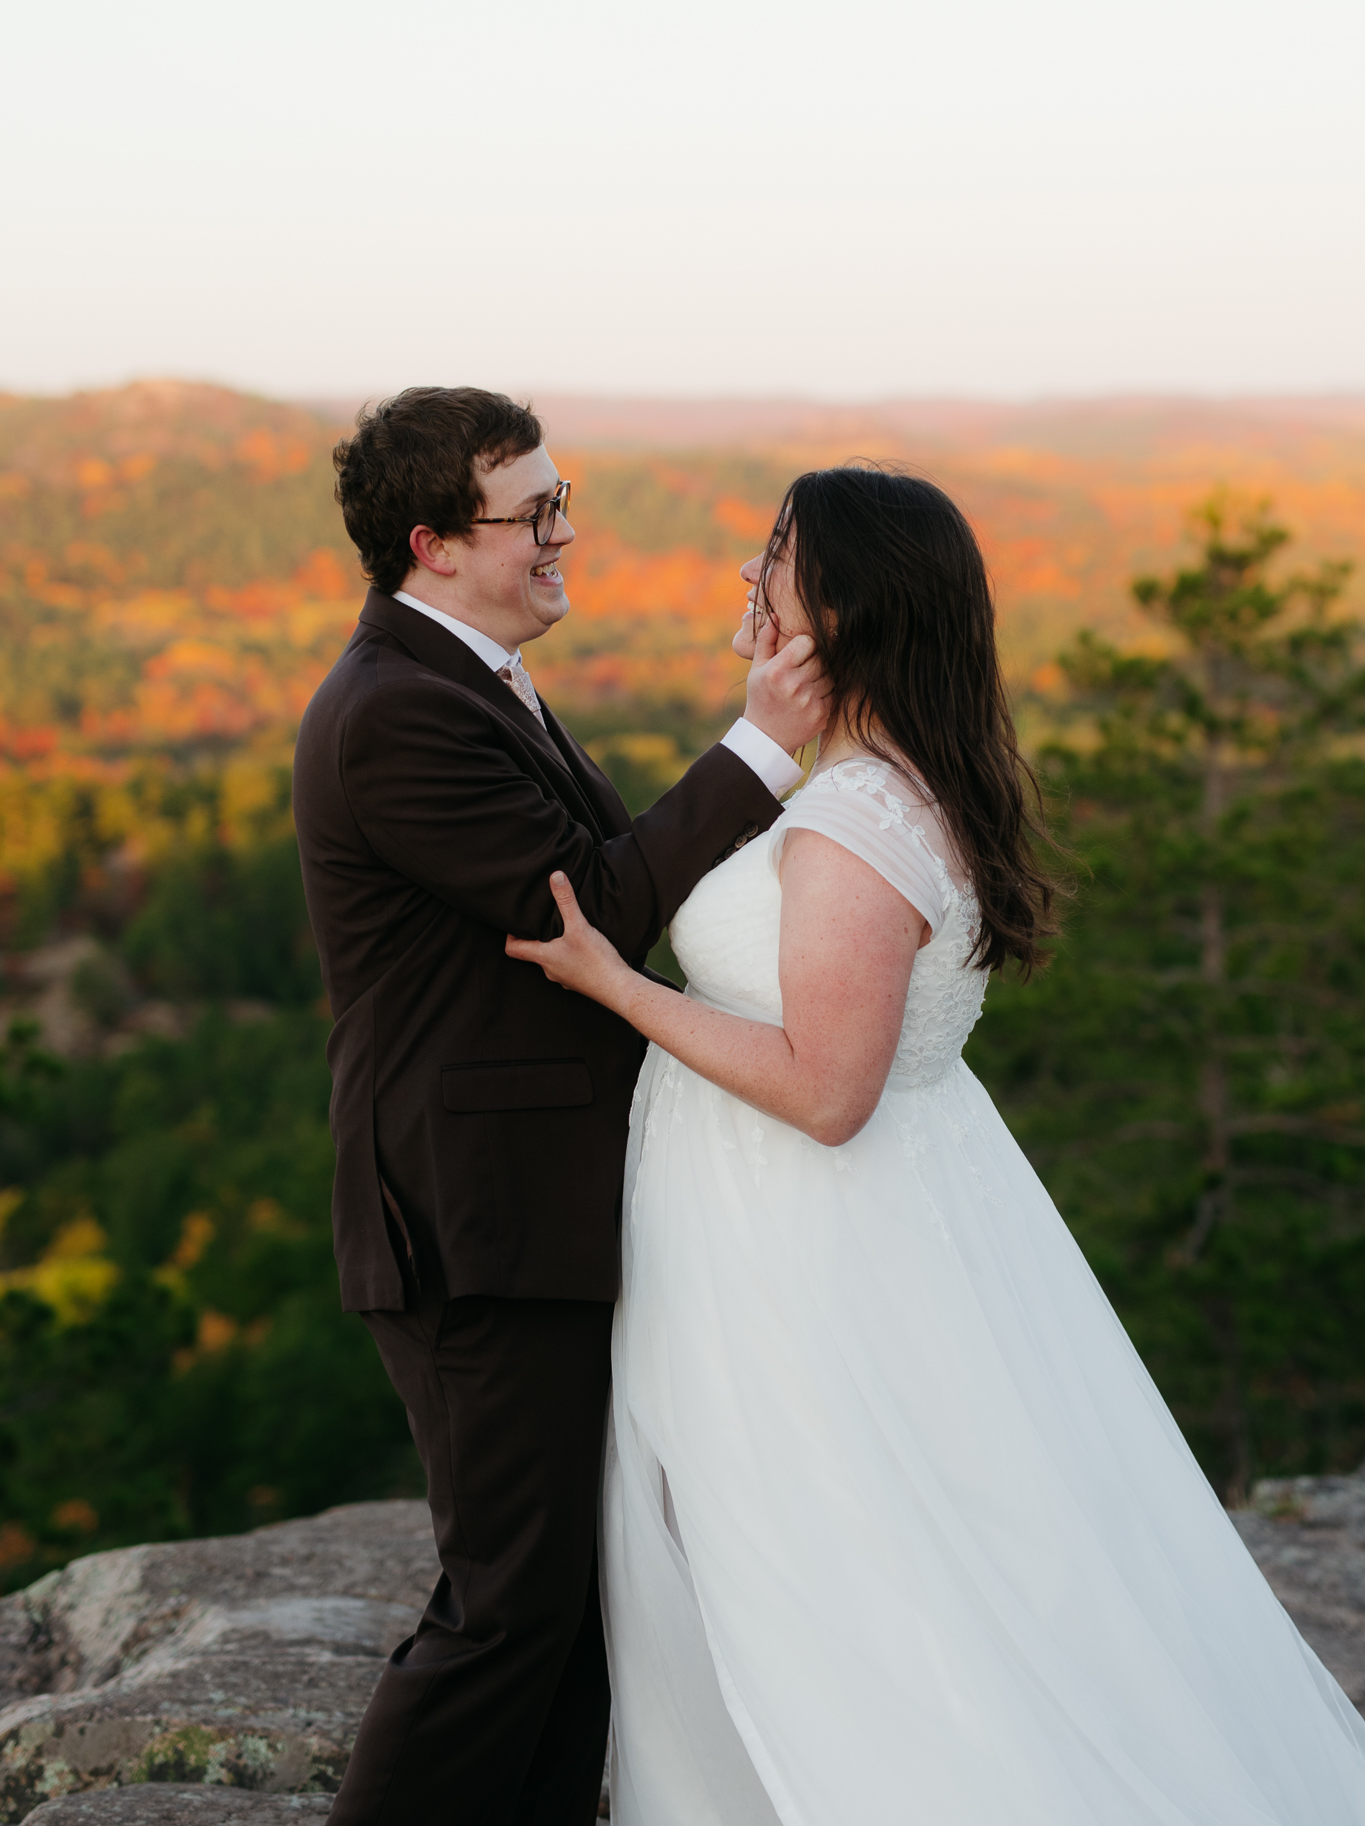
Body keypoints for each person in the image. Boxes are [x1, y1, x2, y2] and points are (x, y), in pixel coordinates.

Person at [507, 463, 1365, 1825]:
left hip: (808, 1244)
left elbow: (825, 1088)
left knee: (834, 1577)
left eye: (773, 558)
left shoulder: (853, 827)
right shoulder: (868, 783)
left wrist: (617, 985)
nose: (746, 577)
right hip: (829, 1225)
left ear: (842, 605)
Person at [291, 387, 829, 1824]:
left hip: (538, 1209)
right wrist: (764, 750)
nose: (562, 531)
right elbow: (576, 909)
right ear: (431, 544)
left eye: (558, 496)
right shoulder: (395, 714)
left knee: (579, 1603)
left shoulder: (473, 679)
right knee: (509, 1607)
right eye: (530, 513)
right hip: (470, 1224)